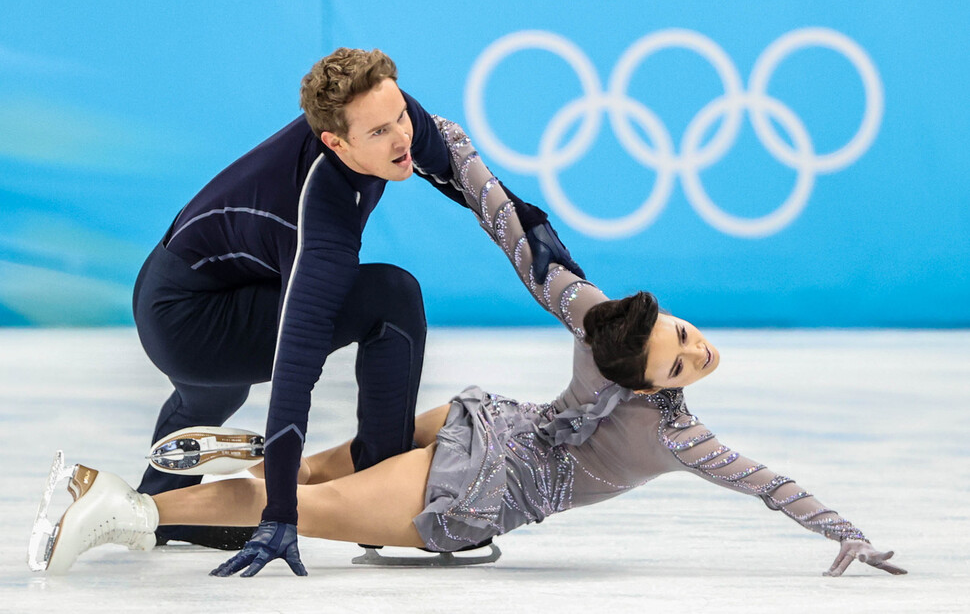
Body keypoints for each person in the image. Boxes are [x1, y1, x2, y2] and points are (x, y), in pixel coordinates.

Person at [38, 119, 905, 578]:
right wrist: (842, 530)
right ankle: (118, 506)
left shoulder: (595, 322)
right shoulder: (663, 411)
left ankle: (151, 500)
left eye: (683, 359)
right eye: (685, 340)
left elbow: (534, 248)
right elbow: (766, 482)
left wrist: (467, 161)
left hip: (474, 423)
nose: (698, 354)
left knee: (303, 479)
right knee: (304, 500)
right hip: (474, 485)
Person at [131, 48, 584, 552]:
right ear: (336, 143)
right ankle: (385, 495)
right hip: (187, 323)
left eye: (401, 117)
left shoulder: (387, 115)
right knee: (391, 298)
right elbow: (294, 370)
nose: (402, 136)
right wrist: (280, 513)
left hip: (191, 283)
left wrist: (532, 226)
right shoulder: (320, 215)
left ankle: (157, 508)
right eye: (379, 132)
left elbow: (463, 177)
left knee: (212, 394)